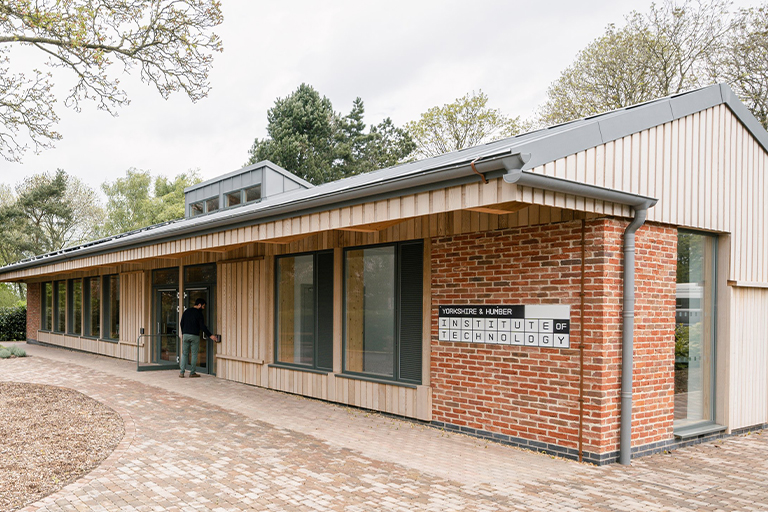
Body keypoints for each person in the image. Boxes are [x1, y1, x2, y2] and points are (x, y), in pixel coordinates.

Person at [179, 298, 218, 378]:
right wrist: (210, 335)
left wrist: (183, 333)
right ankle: (192, 373)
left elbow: (181, 323)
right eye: (203, 306)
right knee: (194, 354)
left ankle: (181, 373)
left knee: (184, 354)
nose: (203, 308)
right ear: (199, 305)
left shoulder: (186, 311)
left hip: (185, 335)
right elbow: (202, 326)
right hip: (194, 336)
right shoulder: (199, 314)